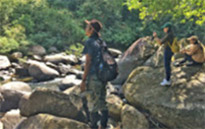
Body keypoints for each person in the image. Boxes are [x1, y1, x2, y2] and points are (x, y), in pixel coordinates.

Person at [80, 19, 108, 129]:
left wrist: (83, 80)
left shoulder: (89, 42)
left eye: (87, 27)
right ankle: (104, 126)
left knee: (93, 104)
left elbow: (88, 62)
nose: (85, 29)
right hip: (103, 76)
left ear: (91, 30)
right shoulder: (101, 41)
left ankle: (94, 127)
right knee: (102, 102)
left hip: (94, 77)